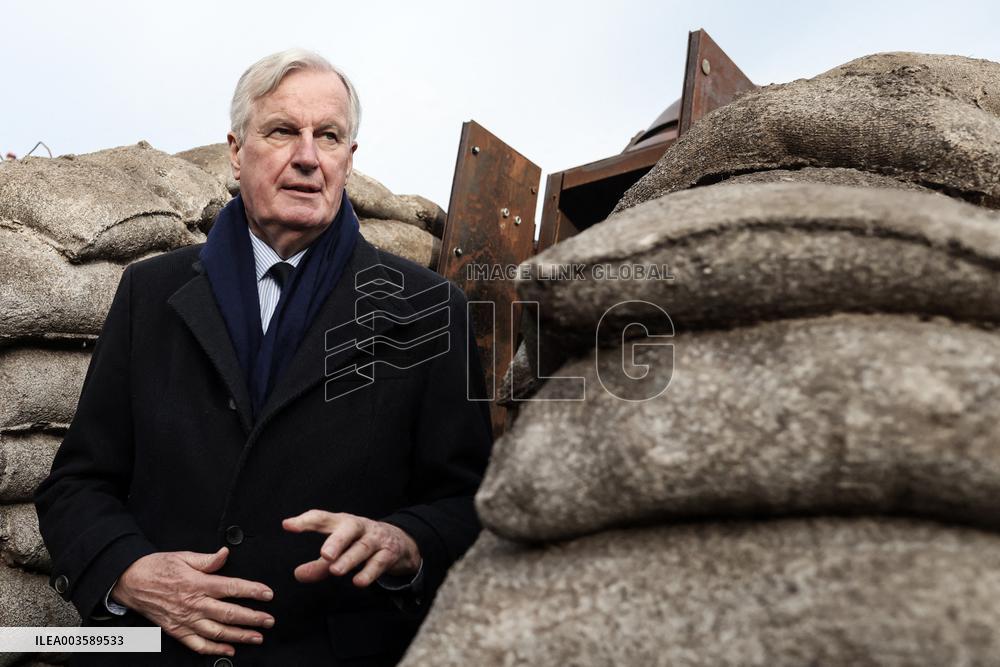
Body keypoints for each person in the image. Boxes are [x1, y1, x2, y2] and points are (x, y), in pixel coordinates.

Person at [34, 48, 493, 666]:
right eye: (282, 131)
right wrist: (128, 570)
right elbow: (77, 484)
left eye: (328, 136)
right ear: (235, 150)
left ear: (348, 161)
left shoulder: (429, 308)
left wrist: (405, 539)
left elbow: (469, 503)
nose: (307, 156)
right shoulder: (150, 293)